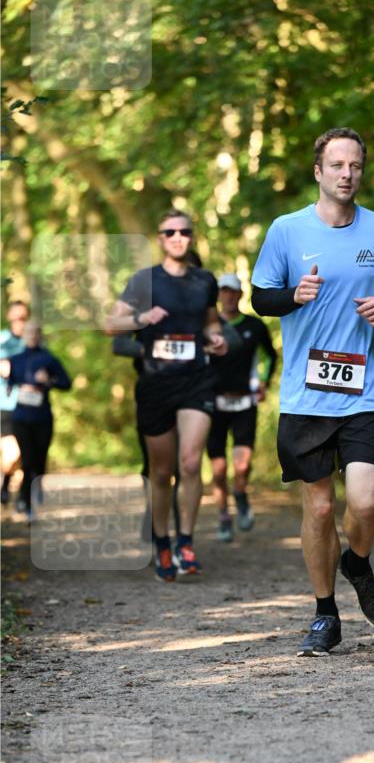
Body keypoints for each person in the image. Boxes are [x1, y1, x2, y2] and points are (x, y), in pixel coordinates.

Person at [252, 127, 374, 657]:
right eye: (337, 165)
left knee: (364, 503)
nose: (347, 174)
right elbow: (259, 299)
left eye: (356, 166)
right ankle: (325, 614)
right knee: (319, 510)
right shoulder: (286, 231)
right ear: (318, 172)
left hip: (367, 388)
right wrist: (293, 296)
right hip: (306, 394)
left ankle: (357, 563)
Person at [107, 211, 227, 581]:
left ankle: (186, 542)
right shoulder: (145, 281)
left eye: (184, 232)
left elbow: (209, 322)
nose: (178, 237)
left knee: (191, 463)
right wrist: (143, 320)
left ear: (192, 237)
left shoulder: (205, 280)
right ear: (159, 238)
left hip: (196, 379)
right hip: (156, 383)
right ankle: (161, 540)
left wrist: (215, 338)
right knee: (162, 472)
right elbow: (111, 324)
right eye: (170, 232)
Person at [208, 272, 277, 542]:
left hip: (245, 402)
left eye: (232, 291)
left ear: (239, 294)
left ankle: (240, 493)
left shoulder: (254, 326)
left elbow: (270, 356)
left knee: (241, 465)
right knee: (217, 468)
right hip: (213, 403)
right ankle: (224, 516)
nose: (228, 296)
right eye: (223, 291)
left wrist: (263, 382)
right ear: (219, 295)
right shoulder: (206, 326)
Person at [3, 320, 71, 521]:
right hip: (21, 417)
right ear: (24, 335)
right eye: (28, 332)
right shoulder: (15, 360)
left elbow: (67, 383)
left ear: (40, 335)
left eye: (35, 332)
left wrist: (48, 382)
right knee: (27, 459)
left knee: (40, 461)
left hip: (42, 418)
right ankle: (24, 501)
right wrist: (10, 382)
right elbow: (10, 383)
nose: (32, 336)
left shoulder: (49, 359)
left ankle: (35, 498)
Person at [0, 300, 29, 505]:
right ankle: (5, 485)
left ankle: (6, 484)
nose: (20, 321)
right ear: (10, 317)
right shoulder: (3, 340)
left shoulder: (32, 342)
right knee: (12, 453)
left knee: (19, 454)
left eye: (24, 318)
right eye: (17, 317)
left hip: (27, 406)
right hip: (5, 405)